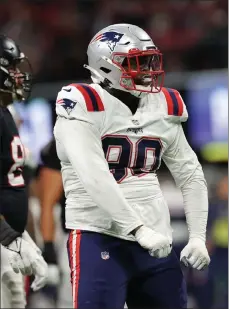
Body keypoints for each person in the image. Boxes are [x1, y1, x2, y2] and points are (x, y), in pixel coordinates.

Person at [54, 24, 210, 309]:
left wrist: (198, 236)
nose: (148, 70)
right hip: (98, 235)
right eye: (135, 62)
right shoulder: (81, 102)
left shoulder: (164, 103)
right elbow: (94, 175)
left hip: (156, 238)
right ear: (106, 66)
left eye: (149, 60)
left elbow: (190, 174)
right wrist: (137, 229)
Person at [0, 34, 48, 308]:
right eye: (12, 68)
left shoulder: (5, 112)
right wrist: (11, 237)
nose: (19, 75)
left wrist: (23, 238)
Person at [36, 138, 72, 308]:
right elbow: (48, 202)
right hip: (78, 236)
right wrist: (48, 249)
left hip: (123, 235)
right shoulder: (65, 139)